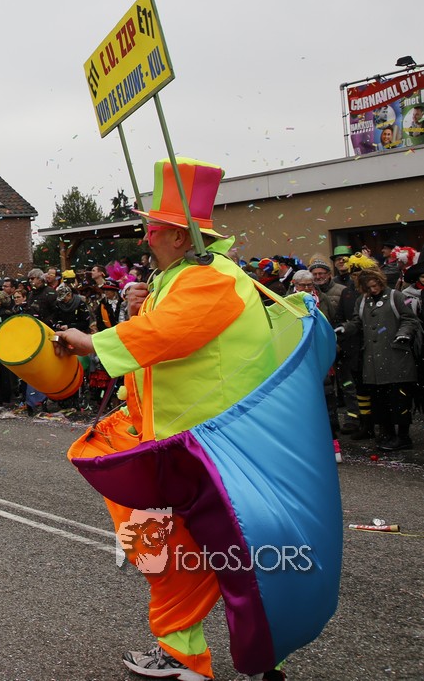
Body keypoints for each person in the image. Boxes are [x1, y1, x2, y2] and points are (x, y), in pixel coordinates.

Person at [55, 158, 284, 681]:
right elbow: (165, 342)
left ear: (181, 237)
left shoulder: (210, 279)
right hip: (173, 443)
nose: (145, 237)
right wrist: (141, 308)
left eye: (154, 228)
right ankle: (187, 655)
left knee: (221, 555)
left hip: (210, 445)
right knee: (162, 546)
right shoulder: (180, 277)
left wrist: (92, 342)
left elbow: (166, 336)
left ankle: (233, 658)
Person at [338, 265, 421, 452]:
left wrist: (404, 334)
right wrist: (345, 328)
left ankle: (403, 437)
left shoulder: (395, 296)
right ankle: (388, 434)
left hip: (396, 359)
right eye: (369, 288)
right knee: (380, 401)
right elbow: (357, 322)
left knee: (399, 400)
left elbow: (410, 319)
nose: (373, 290)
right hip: (373, 362)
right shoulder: (362, 301)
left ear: (381, 282)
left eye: (375, 286)